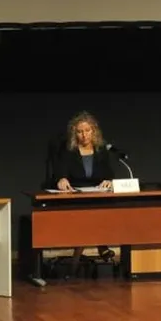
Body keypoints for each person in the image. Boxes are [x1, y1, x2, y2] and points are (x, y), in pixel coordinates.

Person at [53, 111, 117, 269]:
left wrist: (109, 181)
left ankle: (75, 262)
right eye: (80, 132)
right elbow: (60, 172)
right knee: (88, 216)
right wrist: (62, 179)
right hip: (76, 196)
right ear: (75, 134)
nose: (84, 135)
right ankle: (101, 247)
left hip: (98, 195)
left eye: (87, 131)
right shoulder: (69, 151)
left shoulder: (101, 151)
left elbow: (109, 174)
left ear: (94, 131)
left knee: (95, 214)